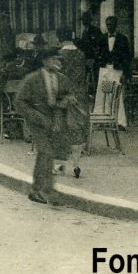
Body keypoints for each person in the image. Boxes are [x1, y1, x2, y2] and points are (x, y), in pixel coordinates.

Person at [16, 51, 73, 205]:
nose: (57, 62)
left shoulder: (62, 79)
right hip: (37, 122)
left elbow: (69, 95)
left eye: (58, 59)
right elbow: (20, 102)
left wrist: (65, 101)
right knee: (46, 151)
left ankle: (43, 189)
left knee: (48, 154)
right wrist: (35, 116)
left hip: (54, 121)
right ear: (45, 61)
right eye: (54, 59)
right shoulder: (32, 79)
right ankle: (40, 190)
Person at [54, 27, 89, 179]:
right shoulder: (81, 54)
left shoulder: (59, 55)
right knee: (77, 129)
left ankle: (59, 165)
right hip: (79, 96)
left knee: (60, 129)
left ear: (59, 39)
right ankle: (76, 164)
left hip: (63, 97)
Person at [93, 15, 131, 128]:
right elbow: (97, 55)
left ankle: (120, 122)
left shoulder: (123, 39)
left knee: (116, 94)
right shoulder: (102, 38)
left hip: (117, 70)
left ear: (116, 25)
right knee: (102, 94)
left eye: (111, 24)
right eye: (107, 24)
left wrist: (125, 73)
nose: (109, 26)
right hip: (104, 69)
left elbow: (127, 57)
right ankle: (101, 120)